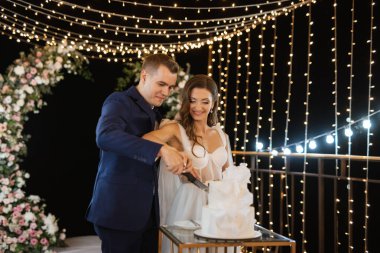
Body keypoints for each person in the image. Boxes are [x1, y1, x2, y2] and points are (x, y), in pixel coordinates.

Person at [86, 54, 195, 253]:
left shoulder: (155, 113)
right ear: (144, 76)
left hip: (147, 215)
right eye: (161, 84)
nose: (166, 92)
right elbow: (105, 136)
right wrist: (160, 149)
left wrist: (179, 157)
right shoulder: (119, 101)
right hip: (118, 212)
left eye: (170, 87)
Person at [143, 74, 234, 253]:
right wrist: (168, 151)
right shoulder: (176, 129)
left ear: (214, 103)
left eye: (205, 102)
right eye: (193, 101)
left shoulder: (222, 136)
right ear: (186, 101)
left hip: (219, 206)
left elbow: (230, 175)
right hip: (190, 205)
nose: (198, 107)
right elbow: (145, 140)